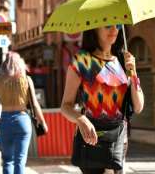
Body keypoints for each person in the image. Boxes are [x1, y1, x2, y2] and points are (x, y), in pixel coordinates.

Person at [61, 25, 144, 174]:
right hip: (92, 139)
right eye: (107, 26)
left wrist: (134, 74)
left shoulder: (123, 60)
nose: (114, 29)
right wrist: (81, 119)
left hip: (118, 141)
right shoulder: (82, 60)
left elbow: (138, 107)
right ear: (94, 29)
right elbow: (65, 106)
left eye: (118, 25)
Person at [0, 51, 48, 174]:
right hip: (22, 120)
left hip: (3, 121)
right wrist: (43, 122)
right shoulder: (27, 80)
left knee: (7, 160)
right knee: (20, 160)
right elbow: (34, 104)